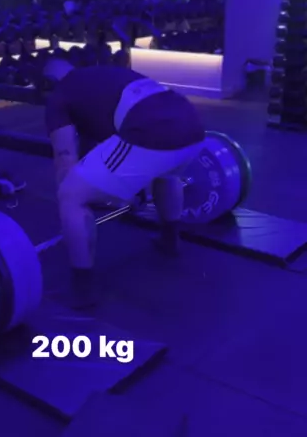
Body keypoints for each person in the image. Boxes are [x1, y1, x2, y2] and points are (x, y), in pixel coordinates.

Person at [43, 58, 205, 308]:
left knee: (71, 195)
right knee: (166, 172)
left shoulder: (59, 95)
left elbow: (65, 159)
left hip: (151, 130)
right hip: (193, 126)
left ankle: (82, 289)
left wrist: (72, 203)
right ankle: (171, 239)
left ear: (49, 83)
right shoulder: (101, 75)